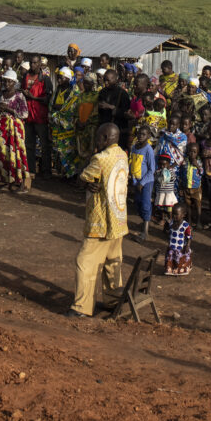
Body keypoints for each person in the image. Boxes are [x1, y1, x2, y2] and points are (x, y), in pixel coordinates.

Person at [69, 123, 129, 318]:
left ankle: (82, 307)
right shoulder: (122, 154)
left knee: (85, 262)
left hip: (101, 221)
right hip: (118, 219)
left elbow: (81, 180)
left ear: (104, 138)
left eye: (98, 137)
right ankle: (113, 300)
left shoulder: (99, 159)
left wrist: (85, 178)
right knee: (113, 262)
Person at [0, 69, 30, 192]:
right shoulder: (1, 94)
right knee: (4, 153)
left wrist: (9, 109)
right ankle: (8, 180)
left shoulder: (19, 96)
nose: (7, 84)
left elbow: (25, 114)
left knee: (18, 154)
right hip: (3, 129)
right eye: (5, 81)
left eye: (9, 81)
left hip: (15, 129)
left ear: (14, 82)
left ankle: (20, 183)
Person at [128, 125, 156, 241]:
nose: (140, 136)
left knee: (145, 204)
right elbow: (132, 163)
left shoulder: (148, 149)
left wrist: (142, 182)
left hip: (146, 181)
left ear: (148, 136)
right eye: (139, 133)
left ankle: (145, 232)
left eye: (143, 134)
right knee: (138, 203)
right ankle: (145, 222)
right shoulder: (134, 147)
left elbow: (152, 170)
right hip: (137, 181)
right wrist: (133, 179)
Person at [165, 204, 193, 276]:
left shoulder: (185, 225)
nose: (174, 216)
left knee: (181, 259)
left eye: (176, 214)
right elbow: (170, 234)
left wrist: (187, 245)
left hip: (181, 247)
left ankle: (181, 270)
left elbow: (189, 237)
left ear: (183, 215)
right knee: (170, 257)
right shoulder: (171, 223)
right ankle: (171, 269)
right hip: (172, 245)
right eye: (173, 214)